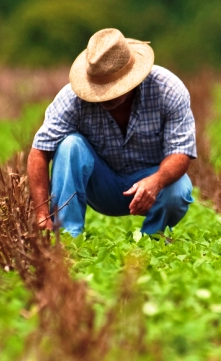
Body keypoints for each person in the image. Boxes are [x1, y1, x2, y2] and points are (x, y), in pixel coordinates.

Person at [28, 28, 197, 237]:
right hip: (101, 186)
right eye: (100, 88)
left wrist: (156, 181)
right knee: (70, 145)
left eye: (113, 87)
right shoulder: (71, 99)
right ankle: (67, 237)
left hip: (150, 181)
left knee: (178, 188)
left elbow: (181, 152)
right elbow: (39, 152)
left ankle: (153, 238)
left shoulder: (168, 90)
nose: (105, 96)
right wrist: (42, 214)